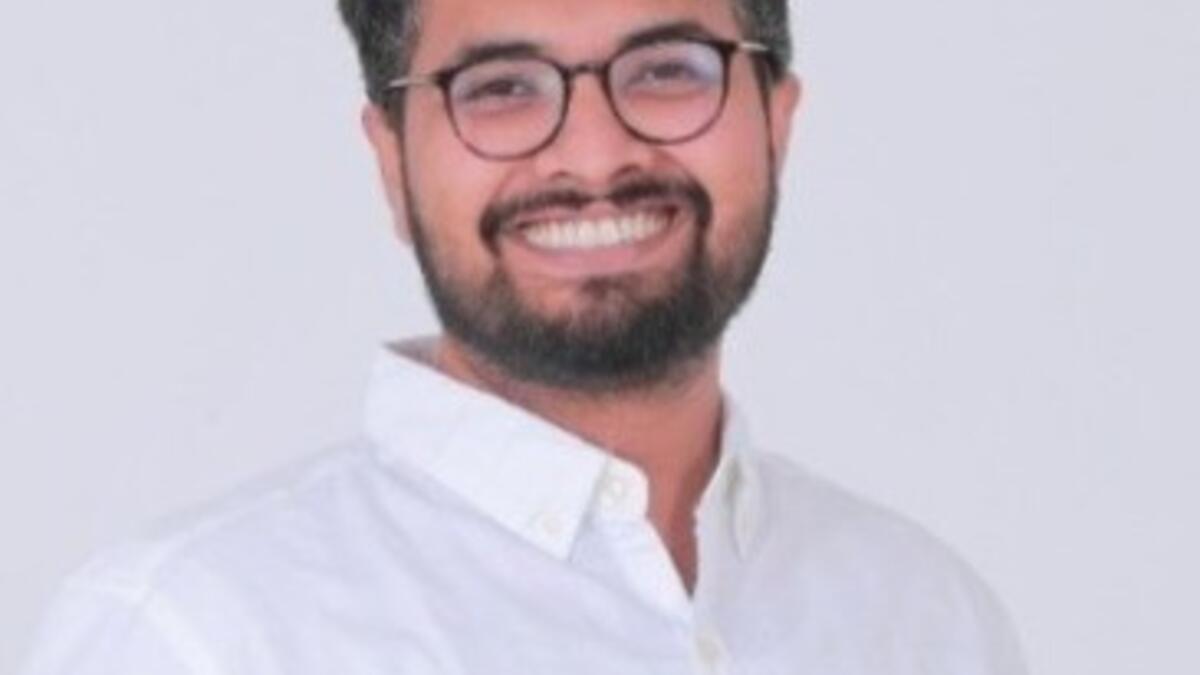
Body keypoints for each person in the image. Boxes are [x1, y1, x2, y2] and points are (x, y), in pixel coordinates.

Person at [22, 0, 1027, 673]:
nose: (594, 155)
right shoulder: (194, 639)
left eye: (667, 70)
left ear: (777, 122)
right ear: (391, 162)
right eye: (500, 87)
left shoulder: (928, 621)